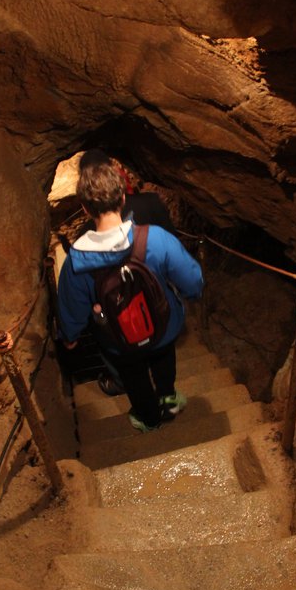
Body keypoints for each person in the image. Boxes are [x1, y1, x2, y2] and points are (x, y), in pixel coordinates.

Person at [57, 161, 203, 433]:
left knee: (133, 375)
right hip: (163, 326)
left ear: (86, 208)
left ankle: (149, 418)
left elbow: (71, 308)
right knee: (163, 358)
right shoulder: (156, 239)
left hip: (118, 340)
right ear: (123, 199)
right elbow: (192, 279)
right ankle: (169, 401)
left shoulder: (76, 262)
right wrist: (191, 294)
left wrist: (70, 337)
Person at [76, 149, 177, 396]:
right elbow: (172, 245)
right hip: (157, 297)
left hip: (118, 308)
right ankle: (166, 395)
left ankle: (129, 389)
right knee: (162, 345)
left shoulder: (84, 235)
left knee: (119, 344)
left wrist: (76, 326)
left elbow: (84, 287)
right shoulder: (151, 203)